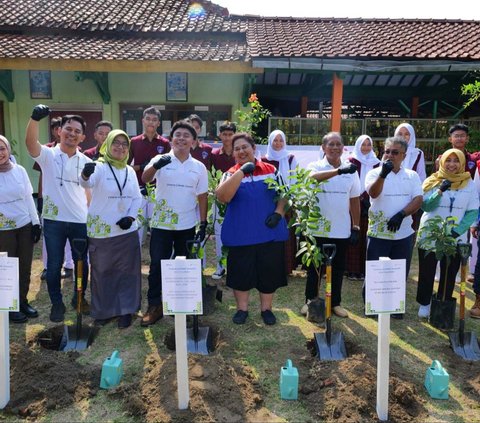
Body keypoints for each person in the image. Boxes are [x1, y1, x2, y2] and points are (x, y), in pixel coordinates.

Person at [25, 105, 91, 323]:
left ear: (82, 137)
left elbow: (88, 192)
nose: (72, 133)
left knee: (82, 263)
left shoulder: (87, 162)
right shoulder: (49, 155)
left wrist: (88, 216)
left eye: (77, 131)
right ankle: (56, 303)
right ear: (60, 131)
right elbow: (30, 144)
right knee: (54, 265)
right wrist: (34, 119)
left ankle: (78, 298)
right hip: (54, 221)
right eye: (68, 129)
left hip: (80, 221)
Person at [216, 132, 289, 325]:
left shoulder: (271, 170)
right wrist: (241, 172)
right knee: (241, 273)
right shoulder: (230, 174)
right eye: (237, 149)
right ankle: (242, 309)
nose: (241, 151)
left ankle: (266, 309)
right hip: (241, 235)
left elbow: (284, 194)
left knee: (268, 272)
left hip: (269, 233)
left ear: (254, 148)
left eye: (244, 147)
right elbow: (223, 197)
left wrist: (279, 213)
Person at [140, 120, 208, 326]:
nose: (181, 138)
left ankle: (182, 307)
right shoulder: (160, 158)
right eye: (177, 135)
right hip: (162, 224)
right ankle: (155, 306)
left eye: (186, 136)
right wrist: (155, 166)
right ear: (171, 139)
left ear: (194, 142)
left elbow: (202, 195)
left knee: (184, 267)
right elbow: (145, 178)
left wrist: (203, 223)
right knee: (156, 265)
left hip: (186, 225)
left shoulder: (199, 167)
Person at [80, 130, 142, 328]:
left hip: (126, 231)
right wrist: (85, 173)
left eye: (125, 144)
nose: (120, 147)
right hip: (102, 231)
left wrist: (131, 216)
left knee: (127, 272)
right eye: (116, 143)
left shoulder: (130, 171)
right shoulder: (99, 167)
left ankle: (126, 310)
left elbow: (137, 197)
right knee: (102, 271)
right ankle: (104, 311)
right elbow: (85, 183)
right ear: (107, 145)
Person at [303, 132, 361, 318]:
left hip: (341, 229)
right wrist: (338, 172)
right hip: (317, 228)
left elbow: (354, 200)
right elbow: (312, 179)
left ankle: (335, 303)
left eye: (338, 144)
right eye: (331, 144)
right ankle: (310, 301)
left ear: (343, 148)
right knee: (315, 268)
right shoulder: (315, 166)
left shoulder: (351, 170)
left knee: (337, 269)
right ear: (323, 147)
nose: (335, 148)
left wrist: (356, 226)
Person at [365, 137, 423, 318]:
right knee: (376, 271)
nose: (389, 155)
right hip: (378, 233)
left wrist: (401, 214)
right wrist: (383, 174)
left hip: (403, 233)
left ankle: (395, 307)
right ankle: (373, 306)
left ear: (404, 156)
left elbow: (418, 199)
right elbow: (373, 193)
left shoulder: (412, 175)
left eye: (395, 152)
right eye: (387, 151)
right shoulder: (374, 173)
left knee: (398, 271)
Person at [416, 149, 478, 318]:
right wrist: (439, 191)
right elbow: (425, 206)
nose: (452, 164)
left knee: (449, 271)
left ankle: (442, 301)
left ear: (462, 163)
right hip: (430, 233)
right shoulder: (432, 180)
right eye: (448, 160)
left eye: (455, 160)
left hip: (454, 236)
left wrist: (457, 231)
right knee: (427, 270)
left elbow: (472, 211)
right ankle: (425, 303)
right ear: (442, 162)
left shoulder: (469, 183)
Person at [0, 135, 42, 323]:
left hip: (24, 226)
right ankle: (10, 306)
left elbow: (28, 197)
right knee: (7, 268)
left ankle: (23, 301)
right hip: (3, 229)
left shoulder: (20, 170)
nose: (0, 153)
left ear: (8, 149)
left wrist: (35, 223)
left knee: (24, 266)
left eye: (2, 148)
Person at [34, 117, 74, 281]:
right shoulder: (46, 150)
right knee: (49, 236)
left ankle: (69, 265)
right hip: (50, 201)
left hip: (70, 202)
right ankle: (47, 267)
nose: (60, 131)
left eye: (62, 128)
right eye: (56, 128)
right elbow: (41, 176)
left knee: (70, 235)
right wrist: (40, 196)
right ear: (54, 131)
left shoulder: (75, 150)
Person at [128, 107, 171, 245]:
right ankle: (136, 262)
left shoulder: (164, 143)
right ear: (142, 121)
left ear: (159, 123)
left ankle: (157, 262)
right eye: (148, 119)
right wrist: (140, 167)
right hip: (138, 190)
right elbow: (126, 167)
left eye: (154, 120)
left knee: (157, 228)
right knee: (138, 228)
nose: (150, 122)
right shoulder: (134, 142)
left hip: (157, 192)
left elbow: (169, 168)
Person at [261, 129, 298, 275]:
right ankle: (269, 265)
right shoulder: (264, 160)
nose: (278, 143)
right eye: (275, 140)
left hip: (287, 201)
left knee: (286, 233)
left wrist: (289, 197)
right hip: (269, 201)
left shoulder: (290, 158)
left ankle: (286, 267)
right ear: (270, 141)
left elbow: (294, 179)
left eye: (281, 140)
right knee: (269, 230)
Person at [345, 135, 380, 280]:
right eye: (363, 144)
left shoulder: (378, 163)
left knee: (367, 235)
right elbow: (348, 181)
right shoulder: (350, 161)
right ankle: (352, 270)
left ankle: (365, 270)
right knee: (354, 233)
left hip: (370, 203)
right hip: (353, 202)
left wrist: (367, 198)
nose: (366, 147)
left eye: (368, 144)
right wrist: (359, 197)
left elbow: (379, 181)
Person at [210, 121, 237, 279]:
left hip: (237, 199)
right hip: (219, 199)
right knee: (220, 233)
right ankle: (220, 266)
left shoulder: (239, 153)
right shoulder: (214, 154)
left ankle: (234, 266)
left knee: (237, 231)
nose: (227, 138)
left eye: (230, 134)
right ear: (219, 135)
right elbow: (211, 176)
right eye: (224, 134)